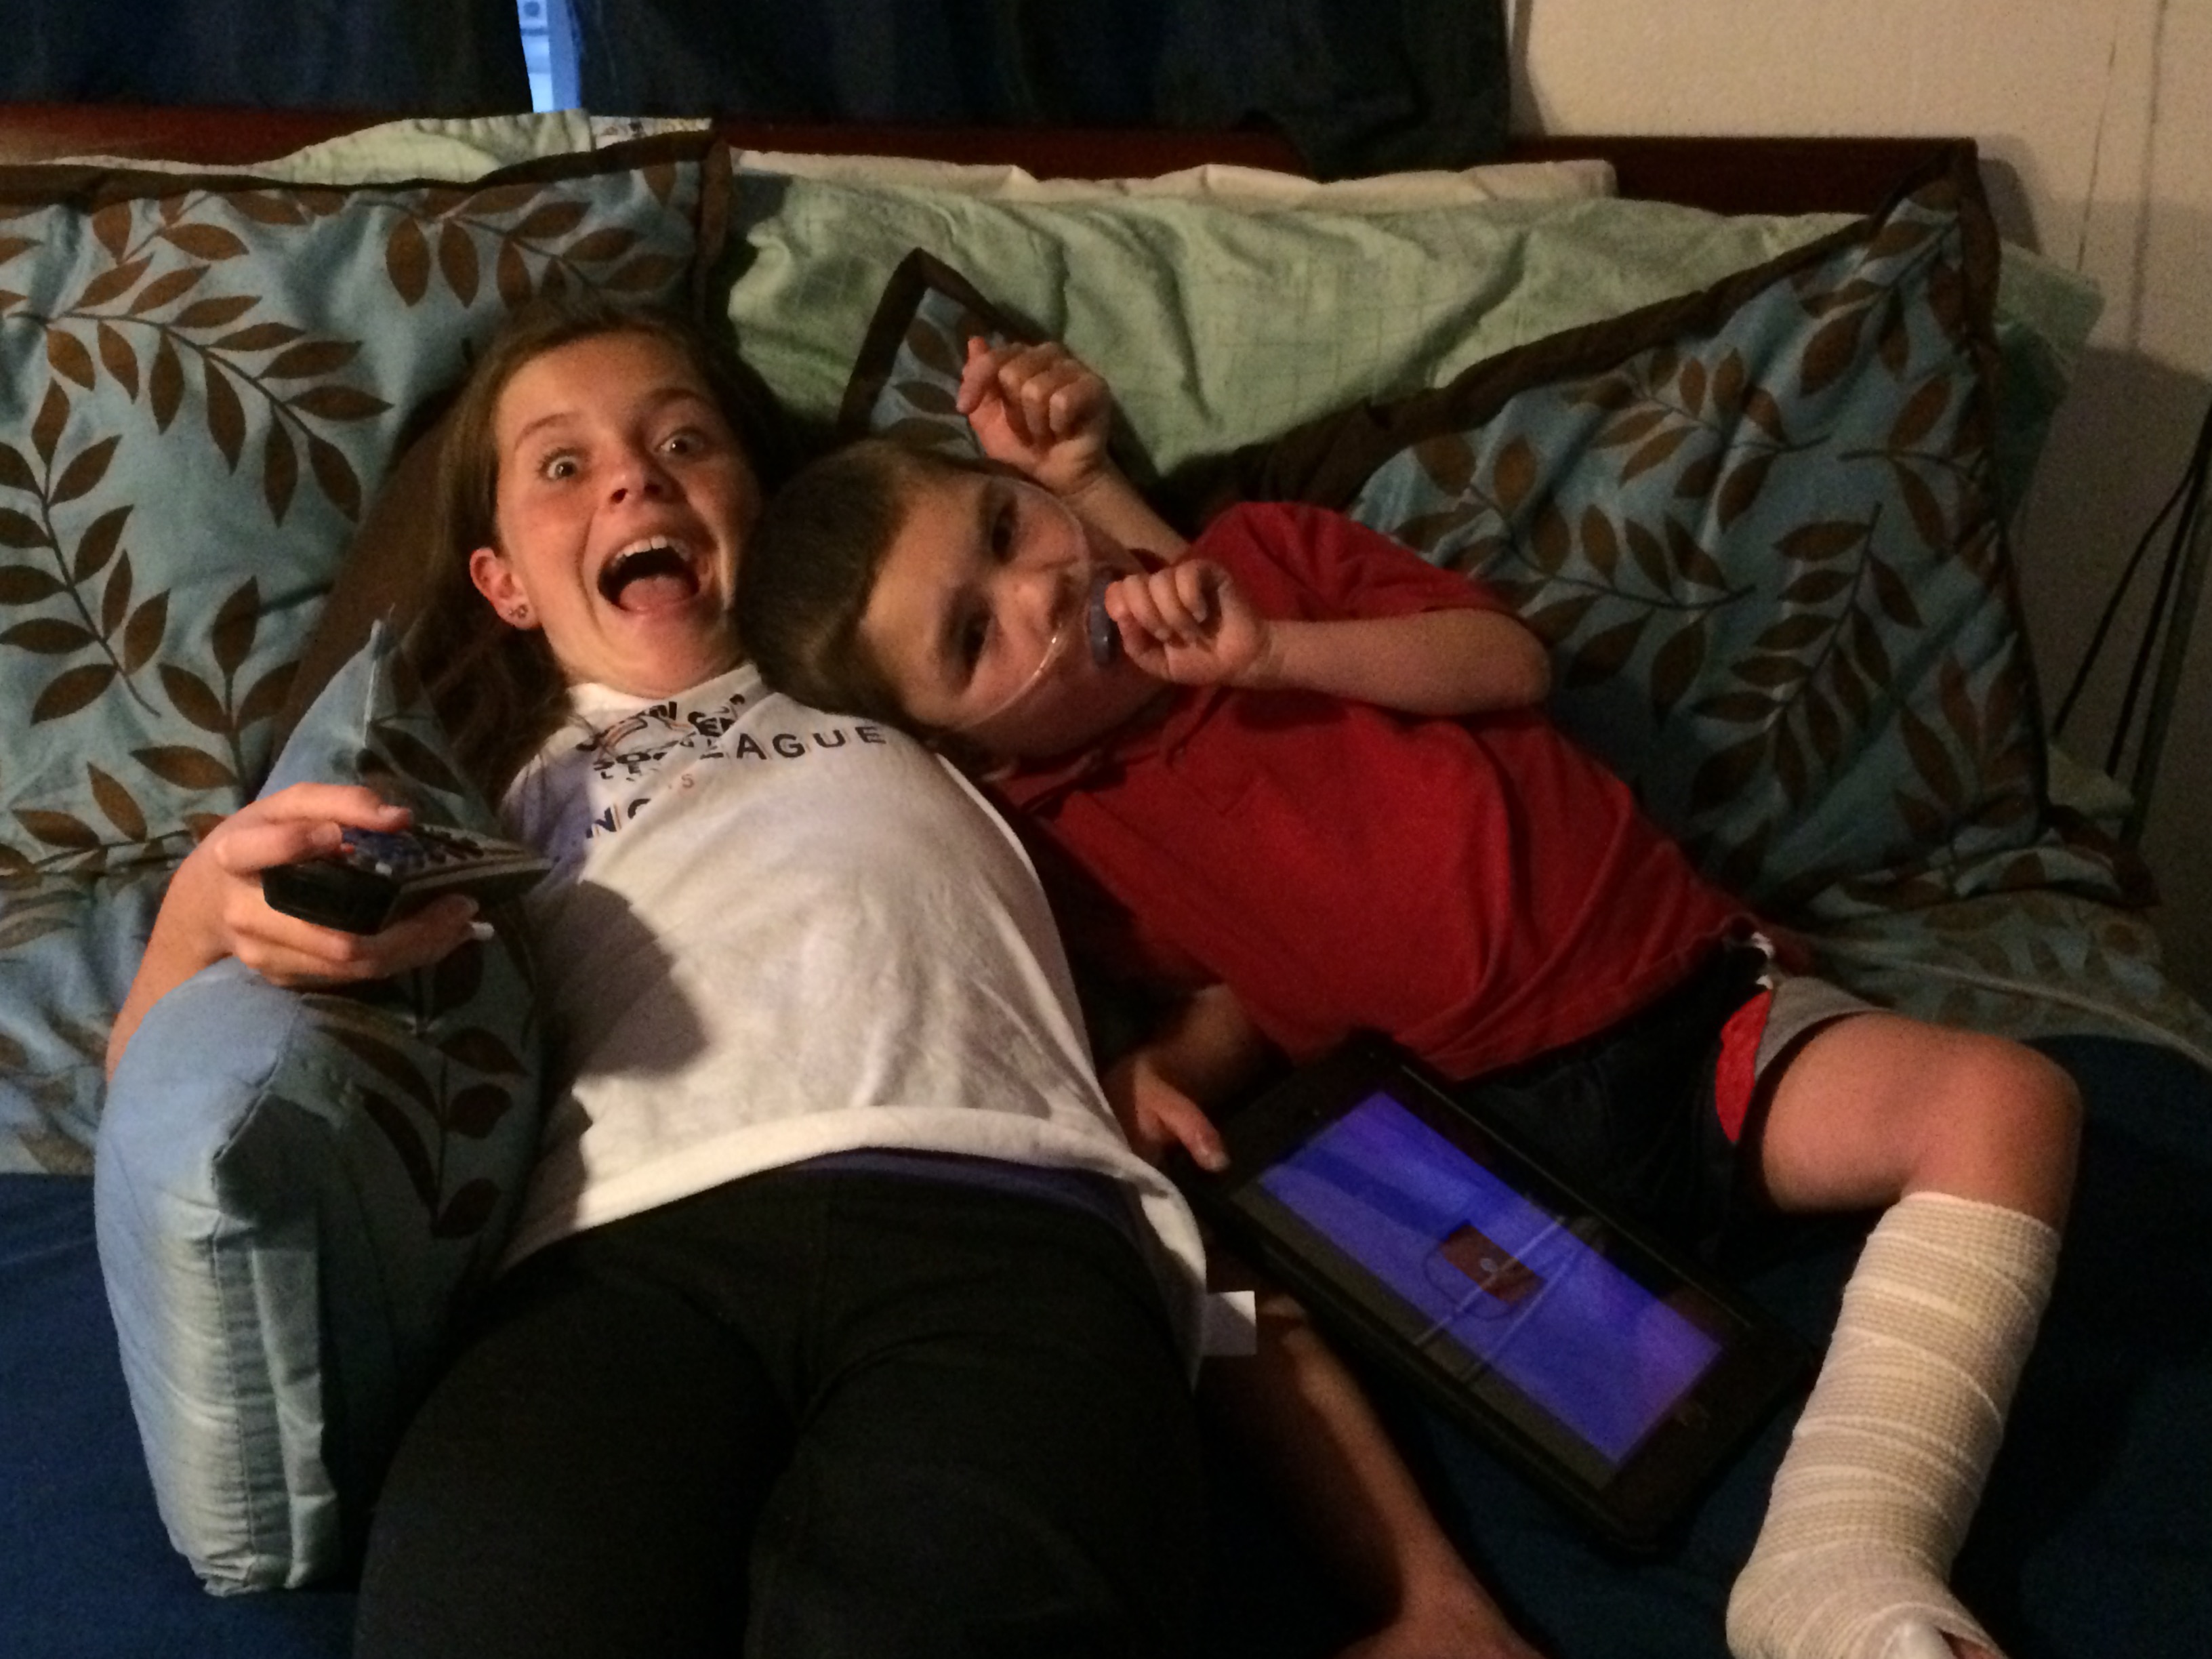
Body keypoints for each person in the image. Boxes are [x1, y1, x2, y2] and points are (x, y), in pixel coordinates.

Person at [733, 336, 2086, 1659]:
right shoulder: (1064, 829)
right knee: (1203, 1282)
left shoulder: (1267, 559)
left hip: (1690, 1022)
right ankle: (1432, 1604)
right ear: (959, 747)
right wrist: (1172, 1069)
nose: (1039, 587)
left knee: (2006, 1099)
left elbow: (1508, 665)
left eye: (1005, 525)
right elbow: (1241, 984)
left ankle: (1842, 1556)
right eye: (974, 635)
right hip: (1460, 1157)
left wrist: (1272, 652)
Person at [104, 296, 1214, 1659]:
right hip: (614, 1257)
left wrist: (1083, 484)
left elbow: (1210, 658)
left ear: (766, 502)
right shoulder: (478, 787)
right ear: (504, 583)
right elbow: (152, 1123)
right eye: (563, 467)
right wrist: (199, 913)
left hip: (999, 1215)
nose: (635, 478)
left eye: (686, 441)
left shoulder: (914, 674)